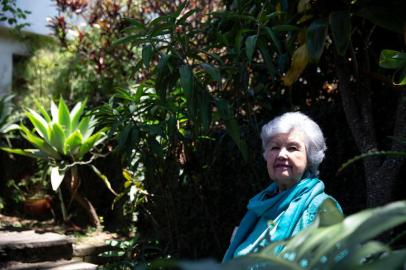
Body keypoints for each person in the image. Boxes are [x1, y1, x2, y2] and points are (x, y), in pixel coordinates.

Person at [222, 111, 343, 262]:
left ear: (309, 159)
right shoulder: (258, 209)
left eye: (292, 148)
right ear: (266, 156)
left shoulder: (321, 208)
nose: (281, 155)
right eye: (275, 148)